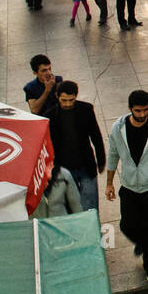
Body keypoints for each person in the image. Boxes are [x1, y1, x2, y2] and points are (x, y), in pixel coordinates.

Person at [105, 90, 148, 283]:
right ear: (130, 110)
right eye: (138, 111)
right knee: (127, 225)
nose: (143, 114)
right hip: (129, 186)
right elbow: (112, 155)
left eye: (146, 110)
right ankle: (142, 242)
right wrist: (109, 183)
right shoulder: (118, 129)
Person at [49, 81, 107, 212]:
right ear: (57, 97)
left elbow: (96, 136)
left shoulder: (86, 109)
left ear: (76, 96)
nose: (68, 104)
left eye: (71, 100)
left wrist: (101, 159)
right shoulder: (50, 115)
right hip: (64, 167)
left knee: (90, 205)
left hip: (86, 165)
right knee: (70, 205)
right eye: (64, 100)